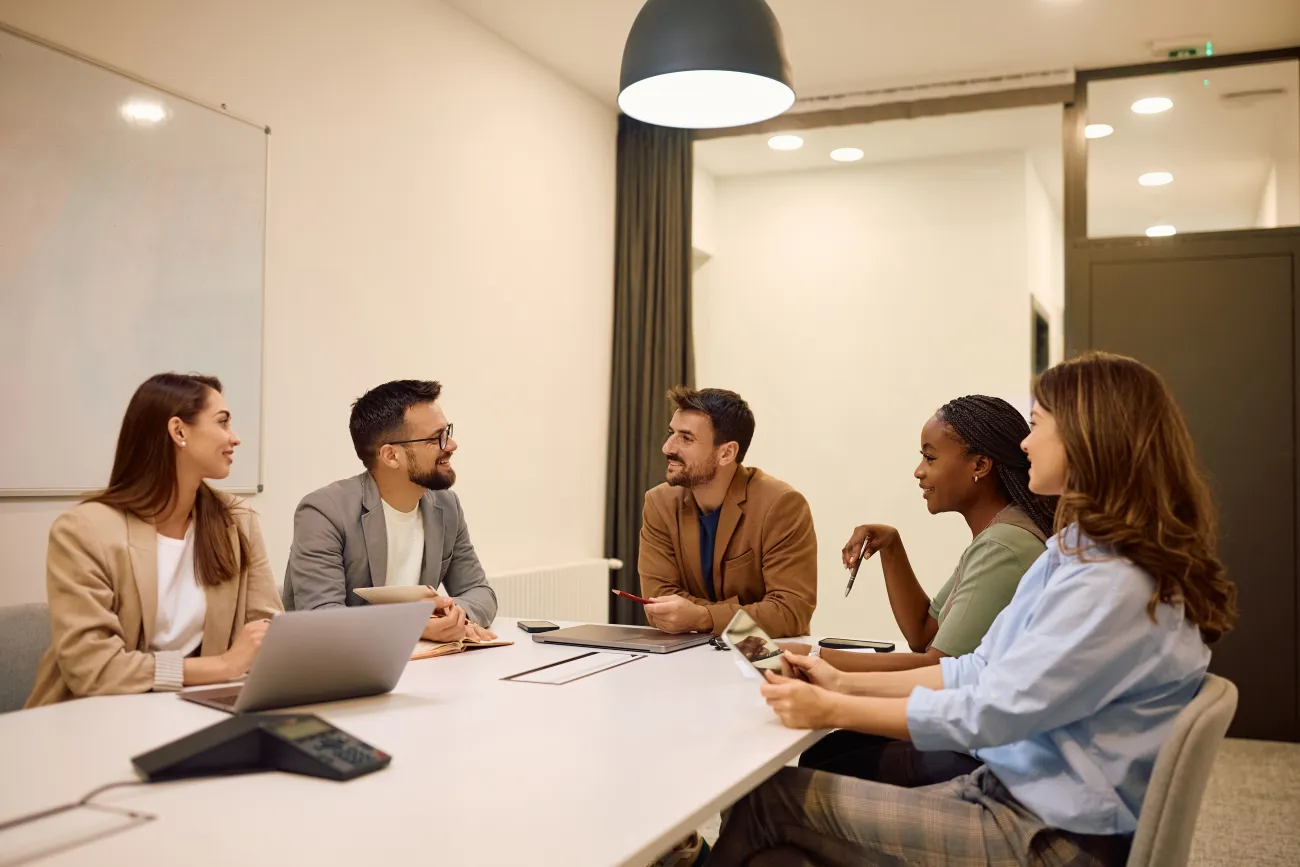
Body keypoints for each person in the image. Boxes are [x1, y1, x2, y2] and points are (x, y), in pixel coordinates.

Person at [710, 352, 1238, 867]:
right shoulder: (1074, 552)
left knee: (765, 801)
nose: (1026, 442)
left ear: (1087, 437)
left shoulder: (1113, 581)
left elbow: (994, 710)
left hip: (1046, 833)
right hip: (1012, 791)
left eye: (1036, 424)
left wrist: (834, 708)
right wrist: (839, 683)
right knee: (778, 829)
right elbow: (978, 667)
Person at [796, 395, 1056, 782]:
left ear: (980, 465)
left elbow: (936, 665)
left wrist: (815, 657)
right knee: (833, 749)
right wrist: (892, 548)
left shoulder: (1004, 544)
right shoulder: (998, 534)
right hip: (972, 736)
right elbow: (923, 632)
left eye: (930, 458)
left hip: (976, 755)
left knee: (823, 763)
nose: (919, 472)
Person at [27, 374, 282, 708]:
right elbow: (93, 668)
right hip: (91, 717)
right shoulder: (84, 530)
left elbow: (268, 634)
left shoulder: (237, 520)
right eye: (222, 423)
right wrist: (221, 666)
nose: (235, 438)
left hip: (196, 711)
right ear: (178, 431)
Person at [283, 380, 497, 644]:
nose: (451, 445)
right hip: (341, 672)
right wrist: (412, 624)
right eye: (436, 438)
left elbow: (479, 592)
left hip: (423, 665)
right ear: (391, 456)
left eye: (448, 432)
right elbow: (320, 618)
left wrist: (455, 615)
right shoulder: (323, 511)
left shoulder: (446, 505)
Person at [638, 387, 817, 640]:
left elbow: (789, 612)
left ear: (726, 453)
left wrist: (703, 617)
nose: (667, 447)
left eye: (686, 438)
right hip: (684, 654)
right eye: (671, 433)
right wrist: (742, 612)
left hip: (764, 656)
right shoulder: (659, 503)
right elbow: (659, 602)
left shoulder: (781, 505)